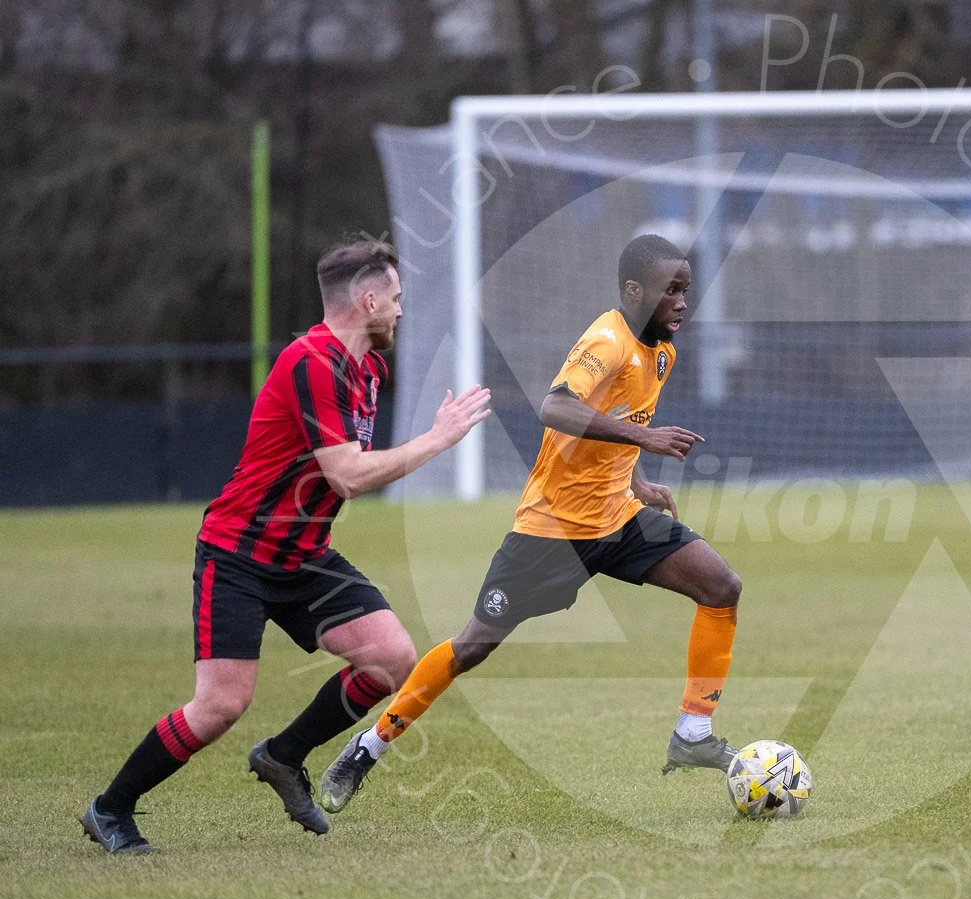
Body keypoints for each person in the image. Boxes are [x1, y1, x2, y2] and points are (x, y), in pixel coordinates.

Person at [79, 239, 492, 853]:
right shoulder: (313, 362)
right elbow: (346, 476)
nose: (402, 311)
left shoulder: (368, 370)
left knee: (391, 659)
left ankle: (284, 755)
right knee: (220, 706)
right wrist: (437, 440)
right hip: (238, 555)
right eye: (396, 298)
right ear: (368, 300)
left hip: (302, 557)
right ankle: (110, 809)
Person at [316, 234, 744, 813]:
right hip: (551, 533)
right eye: (671, 290)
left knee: (721, 586)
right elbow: (557, 407)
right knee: (472, 646)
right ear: (634, 291)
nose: (682, 302)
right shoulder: (606, 340)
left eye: (686, 291)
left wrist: (638, 481)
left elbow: (618, 417)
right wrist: (644, 439)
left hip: (618, 518)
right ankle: (369, 746)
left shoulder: (661, 352)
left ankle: (693, 732)